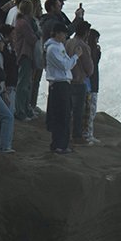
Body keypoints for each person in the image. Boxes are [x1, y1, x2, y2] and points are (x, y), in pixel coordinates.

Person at [43, 23, 78, 153]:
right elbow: (65, 65)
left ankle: (63, 144)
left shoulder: (59, 46)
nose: (65, 36)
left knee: (65, 114)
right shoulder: (52, 48)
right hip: (58, 84)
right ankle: (58, 145)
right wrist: (76, 56)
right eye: (64, 33)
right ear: (57, 33)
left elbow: (66, 64)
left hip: (64, 83)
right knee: (60, 115)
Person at [12, 0, 41, 120]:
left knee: (27, 83)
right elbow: (32, 38)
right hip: (25, 54)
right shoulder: (23, 23)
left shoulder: (23, 21)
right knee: (23, 84)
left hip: (27, 54)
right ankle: (20, 111)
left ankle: (26, 108)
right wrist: (38, 34)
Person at [68, 23, 95, 143]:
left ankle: (67, 133)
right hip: (79, 80)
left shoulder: (68, 42)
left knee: (69, 109)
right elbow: (89, 67)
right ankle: (77, 136)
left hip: (67, 79)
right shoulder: (83, 46)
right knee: (79, 110)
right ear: (86, 33)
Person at [82, 27, 101, 144]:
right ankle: (88, 134)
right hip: (91, 85)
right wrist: (98, 53)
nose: (98, 42)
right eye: (97, 40)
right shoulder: (91, 50)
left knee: (88, 111)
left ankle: (88, 134)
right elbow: (93, 65)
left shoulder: (87, 49)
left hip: (88, 84)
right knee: (90, 111)